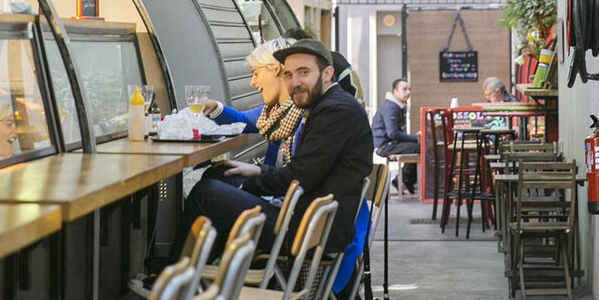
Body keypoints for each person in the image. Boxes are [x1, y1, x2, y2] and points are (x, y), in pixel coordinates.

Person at [174, 38, 373, 261]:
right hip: (304, 215)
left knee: (207, 193)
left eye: (304, 72)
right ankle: (206, 271)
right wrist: (256, 173)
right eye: (288, 75)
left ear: (327, 74)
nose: (295, 82)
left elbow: (298, 178)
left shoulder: (335, 111)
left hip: (309, 232)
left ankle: (176, 272)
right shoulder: (324, 104)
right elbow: (302, 172)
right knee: (220, 174)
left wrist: (247, 184)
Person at [202, 37, 303, 173]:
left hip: (279, 183)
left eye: (256, 73)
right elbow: (241, 120)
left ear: (276, 69)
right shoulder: (277, 111)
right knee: (215, 173)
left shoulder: (305, 117)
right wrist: (215, 107)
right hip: (273, 179)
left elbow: (299, 174)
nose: (252, 82)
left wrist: (257, 171)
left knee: (211, 182)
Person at [371, 78, 417, 193]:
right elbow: (393, 133)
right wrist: (416, 138)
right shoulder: (391, 107)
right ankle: (404, 179)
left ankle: (406, 180)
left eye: (409, 89)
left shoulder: (395, 106)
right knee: (417, 147)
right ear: (395, 91)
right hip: (384, 146)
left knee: (415, 146)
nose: (408, 92)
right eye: (404, 89)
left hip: (387, 143)